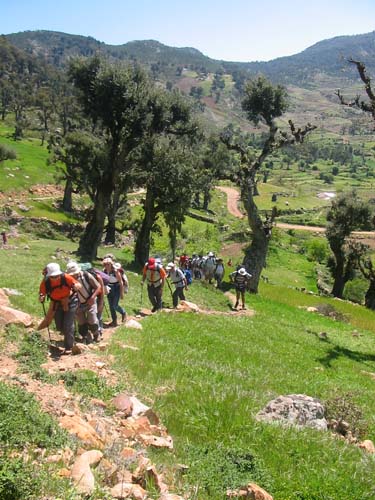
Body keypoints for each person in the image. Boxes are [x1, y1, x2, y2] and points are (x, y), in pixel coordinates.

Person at [38, 262, 80, 354]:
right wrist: (41, 297)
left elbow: (77, 284)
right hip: (57, 303)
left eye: (57, 275)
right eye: (53, 276)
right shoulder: (46, 282)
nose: (55, 278)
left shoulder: (66, 277)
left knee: (68, 324)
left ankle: (69, 347)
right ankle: (69, 337)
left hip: (71, 301)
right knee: (59, 325)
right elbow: (42, 292)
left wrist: (76, 286)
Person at [66, 262, 101, 343]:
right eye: (72, 274)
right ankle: (85, 337)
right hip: (77, 304)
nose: (74, 275)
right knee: (81, 322)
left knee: (92, 319)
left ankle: (96, 334)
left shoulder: (86, 275)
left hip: (90, 301)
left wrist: (92, 297)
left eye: (75, 273)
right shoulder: (67, 280)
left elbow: (98, 286)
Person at [102, 257, 126, 326]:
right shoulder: (104, 271)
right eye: (105, 264)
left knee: (115, 305)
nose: (106, 266)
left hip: (117, 287)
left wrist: (121, 293)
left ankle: (123, 312)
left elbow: (121, 282)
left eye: (108, 264)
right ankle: (114, 321)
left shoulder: (115, 271)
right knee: (111, 306)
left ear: (111, 264)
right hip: (109, 288)